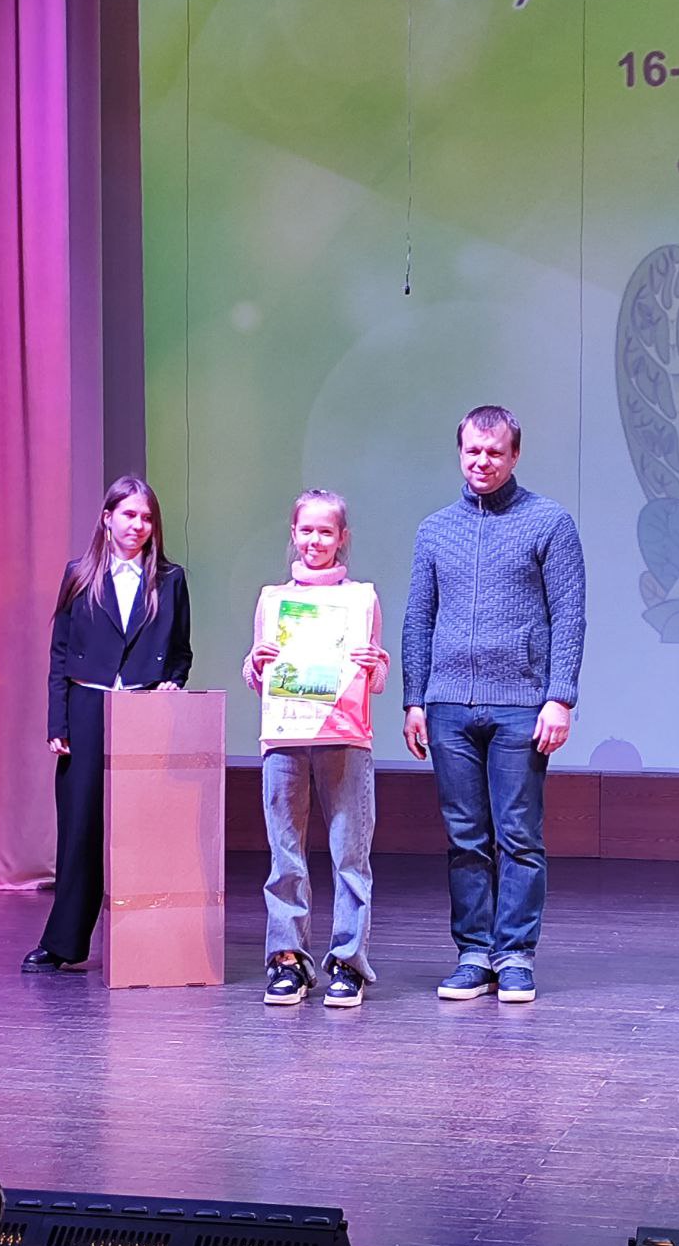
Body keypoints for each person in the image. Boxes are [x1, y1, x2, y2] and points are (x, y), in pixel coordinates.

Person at [402, 406, 585, 1004]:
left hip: (521, 705)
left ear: (515, 455)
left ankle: (514, 956)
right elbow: (419, 618)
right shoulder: (435, 529)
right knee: (465, 838)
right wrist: (414, 698)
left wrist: (559, 697)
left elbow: (569, 616)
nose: (482, 462)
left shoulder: (549, 523)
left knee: (518, 836)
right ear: (460, 453)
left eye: (494, 452)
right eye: (472, 452)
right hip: (448, 705)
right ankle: (473, 954)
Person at [22, 477, 192, 973]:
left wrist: (172, 683)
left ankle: (149, 940)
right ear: (107, 518)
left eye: (146, 517)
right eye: (129, 515)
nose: (138, 525)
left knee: (143, 827)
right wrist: (58, 721)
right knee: (80, 828)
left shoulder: (170, 579)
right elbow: (59, 655)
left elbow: (180, 651)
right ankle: (63, 942)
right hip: (86, 709)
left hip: (143, 711)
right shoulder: (80, 575)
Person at [243, 488, 389, 1008]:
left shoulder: (361, 599)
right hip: (285, 738)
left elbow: (375, 680)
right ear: (294, 533)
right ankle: (288, 960)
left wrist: (374, 664)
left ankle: (348, 962)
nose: (315, 540)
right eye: (306, 530)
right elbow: (259, 679)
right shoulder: (273, 600)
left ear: (342, 538)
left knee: (350, 855)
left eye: (326, 531)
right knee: (285, 857)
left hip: (344, 737)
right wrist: (257, 662)